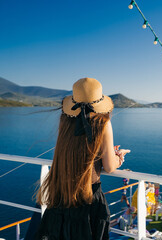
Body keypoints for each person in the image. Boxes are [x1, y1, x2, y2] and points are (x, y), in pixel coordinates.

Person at [35, 78, 130, 240]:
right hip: (89, 200)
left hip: (62, 195)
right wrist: (118, 158)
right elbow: (109, 167)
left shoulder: (66, 120)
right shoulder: (103, 122)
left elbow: (77, 149)